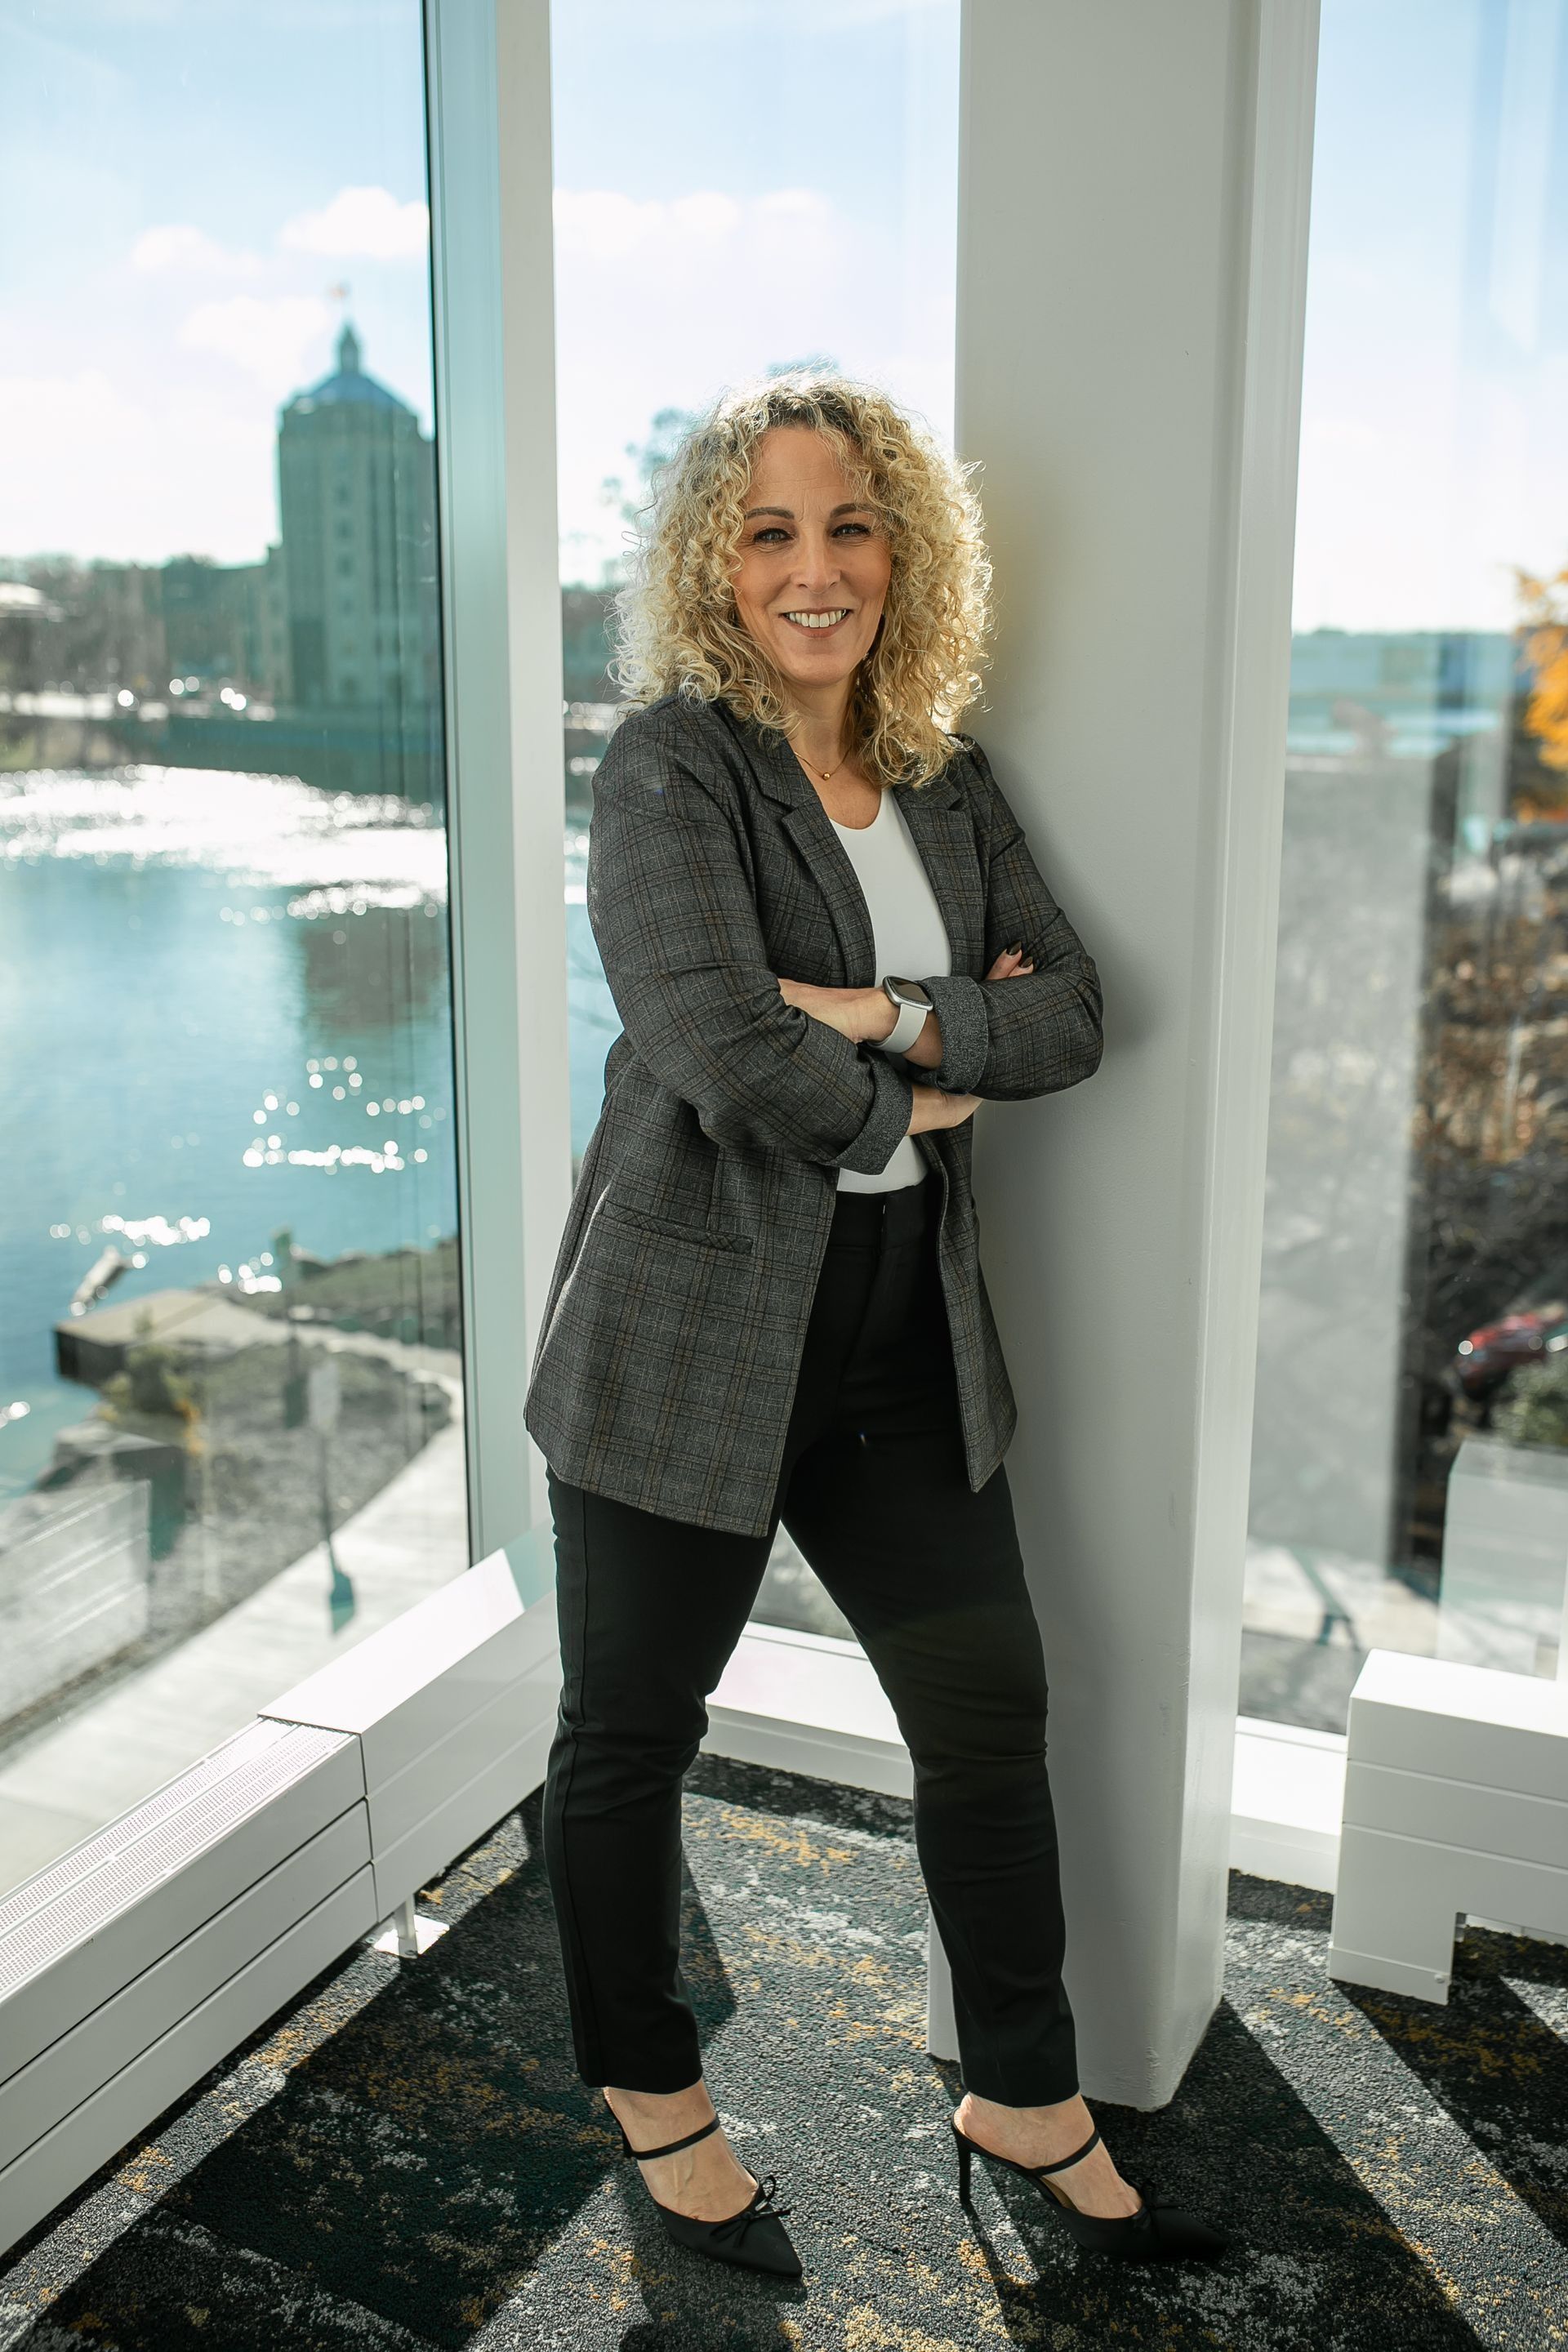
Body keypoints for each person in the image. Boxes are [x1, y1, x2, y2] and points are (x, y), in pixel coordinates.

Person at [523, 372, 1226, 2278]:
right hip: (687, 1329)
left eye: (847, 526)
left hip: (907, 1330)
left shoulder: (945, 767)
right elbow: (704, 1037)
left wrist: (873, 1015)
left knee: (988, 1713)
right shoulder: (671, 764)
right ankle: (656, 2097)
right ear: (714, 564)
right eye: (769, 531)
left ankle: (1022, 2087)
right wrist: (918, 1079)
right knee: (630, 1736)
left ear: (900, 548)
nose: (813, 568)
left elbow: (1069, 1013)